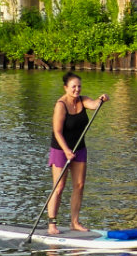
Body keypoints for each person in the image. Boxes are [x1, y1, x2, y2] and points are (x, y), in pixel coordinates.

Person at [46, 72, 108, 235]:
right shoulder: (61, 105)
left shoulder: (82, 100)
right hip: (61, 149)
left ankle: (74, 222)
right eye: (73, 86)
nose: (77, 89)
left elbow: (94, 104)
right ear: (66, 88)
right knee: (59, 186)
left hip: (79, 148)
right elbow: (57, 132)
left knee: (79, 185)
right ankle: (52, 223)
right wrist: (66, 151)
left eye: (79, 86)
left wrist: (101, 99)